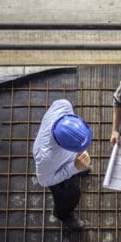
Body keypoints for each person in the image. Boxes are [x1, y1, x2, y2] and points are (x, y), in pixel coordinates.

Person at [33, 99, 93, 231]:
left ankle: (78, 169)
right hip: (57, 172)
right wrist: (73, 168)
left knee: (77, 171)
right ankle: (64, 215)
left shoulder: (63, 106)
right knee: (70, 196)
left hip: (67, 160)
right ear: (64, 147)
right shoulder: (46, 158)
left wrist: (76, 163)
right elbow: (44, 180)